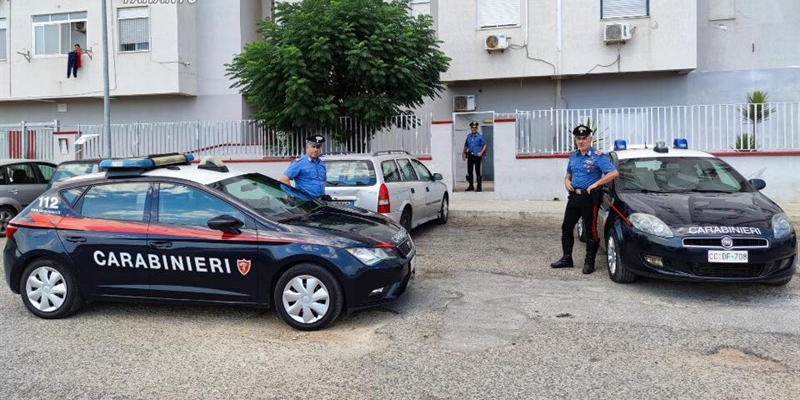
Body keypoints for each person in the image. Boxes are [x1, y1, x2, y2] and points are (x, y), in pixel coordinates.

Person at [550, 124, 619, 274]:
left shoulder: (597, 156)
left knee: (591, 231)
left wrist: (596, 184)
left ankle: (589, 262)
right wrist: (567, 182)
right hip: (574, 196)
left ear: (590, 139)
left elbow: (613, 173)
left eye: (584, 138)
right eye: (578, 138)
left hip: (589, 199)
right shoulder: (573, 155)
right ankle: (567, 258)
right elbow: (568, 174)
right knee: (566, 227)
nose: (581, 141)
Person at [279, 135, 327, 199]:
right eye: (313, 147)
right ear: (307, 148)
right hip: (305, 201)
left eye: (318, 147)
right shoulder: (300, 163)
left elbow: (323, 181)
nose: (315, 149)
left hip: (320, 201)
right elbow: (284, 179)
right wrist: (291, 195)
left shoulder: (321, 164)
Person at [462, 120, 488, 191]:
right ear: (470, 128)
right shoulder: (469, 137)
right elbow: (466, 145)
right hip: (470, 155)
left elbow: (485, 145)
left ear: (477, 128)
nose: (474, 129)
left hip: (477, 156)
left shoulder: (480, 137)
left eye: (475, 127)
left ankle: (479, 187)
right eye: (472, 127)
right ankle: (471, 186)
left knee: (478, 171)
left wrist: (481, 152)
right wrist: (463, 153)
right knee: (469, 171)